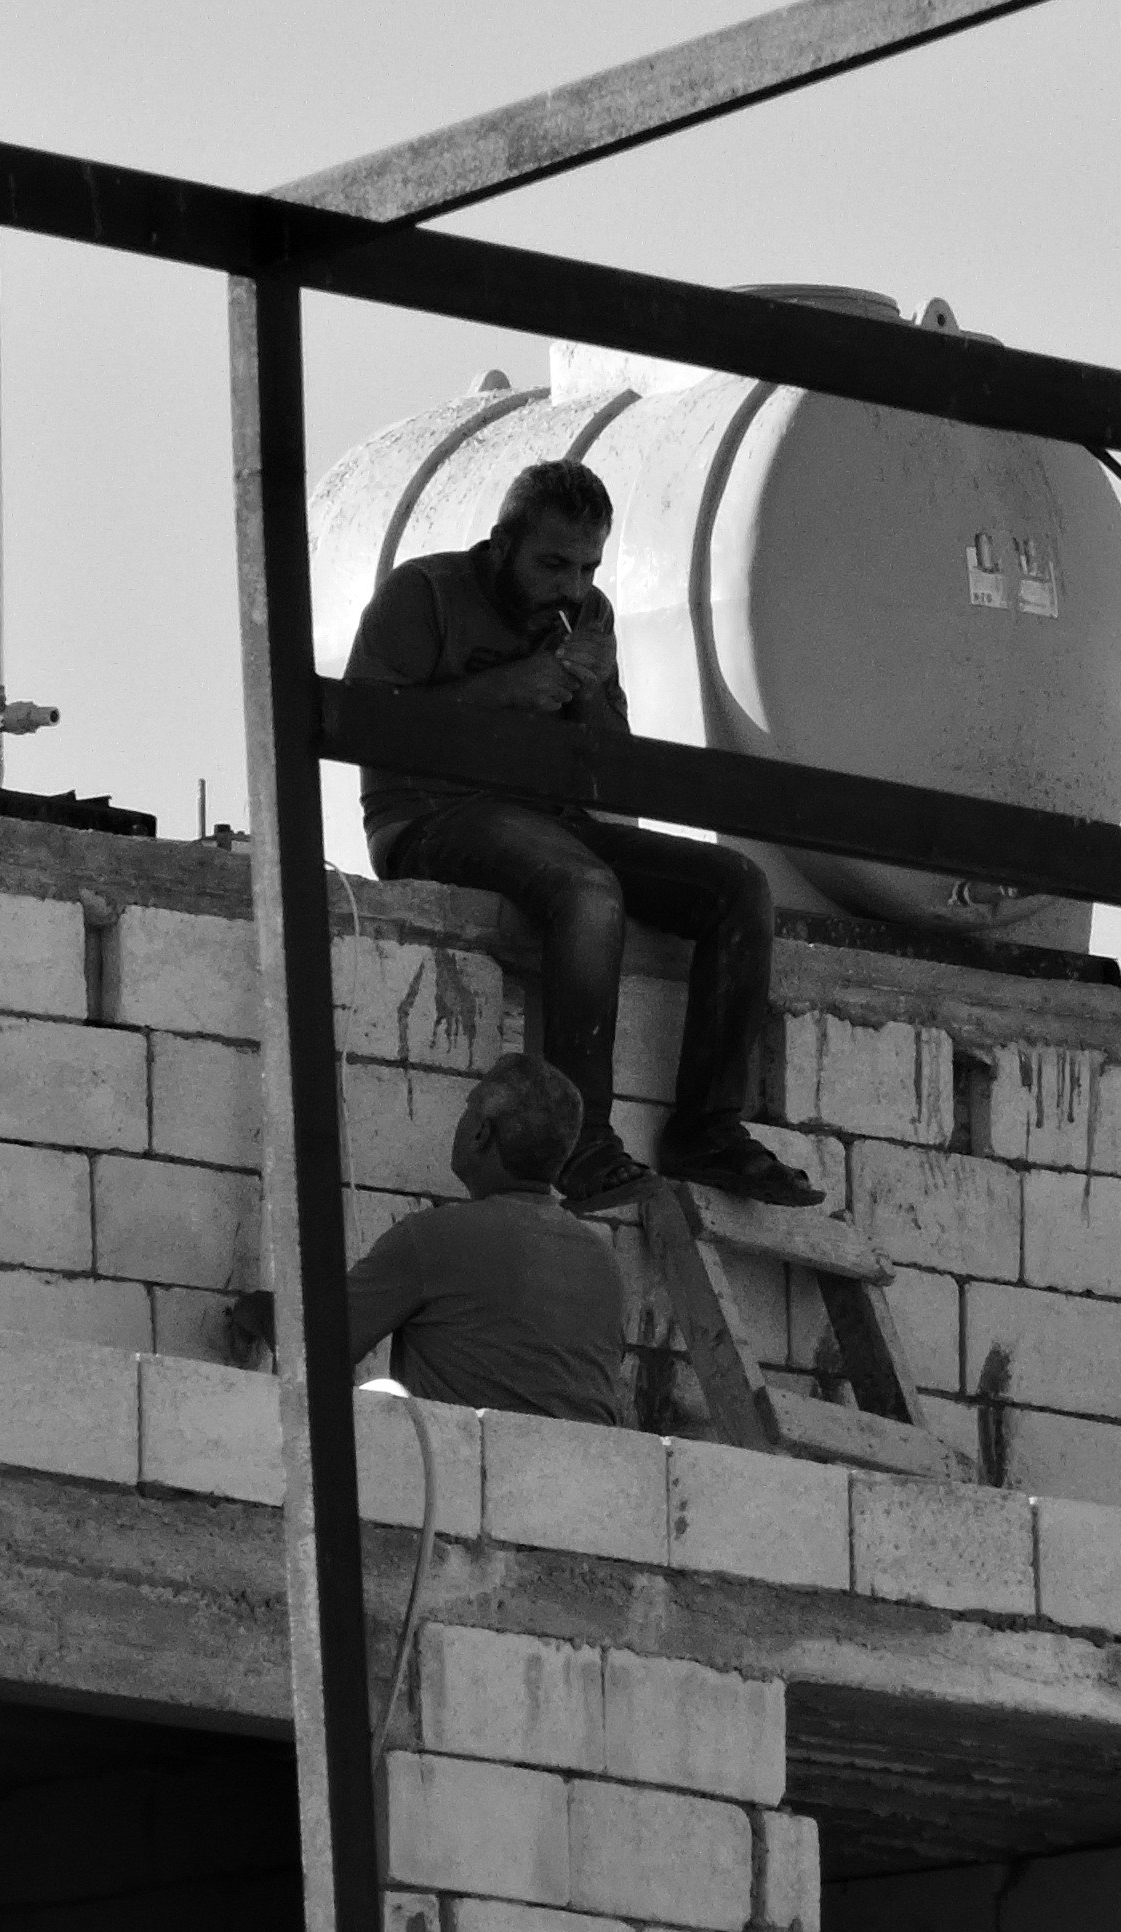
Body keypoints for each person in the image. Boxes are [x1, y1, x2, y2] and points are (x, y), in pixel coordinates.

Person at [344, 455, 820, 1210]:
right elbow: (362, 727)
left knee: (736, 886)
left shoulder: (587, 615)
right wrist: (505, 691)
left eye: (587, 567)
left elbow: (610, 770)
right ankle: (583, 1143)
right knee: (588, 889)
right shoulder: (423, 594)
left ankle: (709, 1131)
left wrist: (592, 696)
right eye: (553, 563)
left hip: (549, 821)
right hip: (428, 817)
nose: (570, 586)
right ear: (502, 543)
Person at [264, 1053, 631, 1425]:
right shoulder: (603, 1262)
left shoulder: (431, 1239)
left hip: (471, 1474)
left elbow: (316, 1346)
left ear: (480, 1133)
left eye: (467, 1110)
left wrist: (257, 1312)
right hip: (590, 1475)